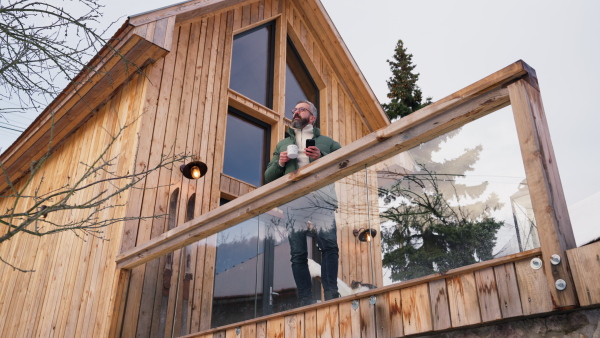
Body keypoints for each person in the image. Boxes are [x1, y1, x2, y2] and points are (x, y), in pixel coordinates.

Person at [264, 100, 342, 305]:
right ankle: (305, 298)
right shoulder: (282, 144)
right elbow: (268, 177)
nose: (296, 112)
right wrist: (280, 163)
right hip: (293, 204)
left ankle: (332, 293)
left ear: (312, 117)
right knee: (297, 253)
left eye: (301, 109)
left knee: (330, 246)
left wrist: (321, 157)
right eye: (294, 109)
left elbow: (344, 164)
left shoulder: (328, 142)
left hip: (321, 201)